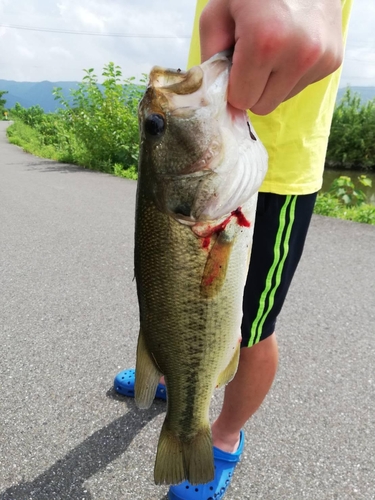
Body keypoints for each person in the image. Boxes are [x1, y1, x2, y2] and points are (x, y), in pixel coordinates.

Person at [114, 0, 353, 498]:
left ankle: (218, 435)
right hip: (221, 177)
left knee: (253, 328)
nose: (159, 116)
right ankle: (172, 372)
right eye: (155, 127)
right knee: (167, 310)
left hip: (282, 172)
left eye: (154, 127)